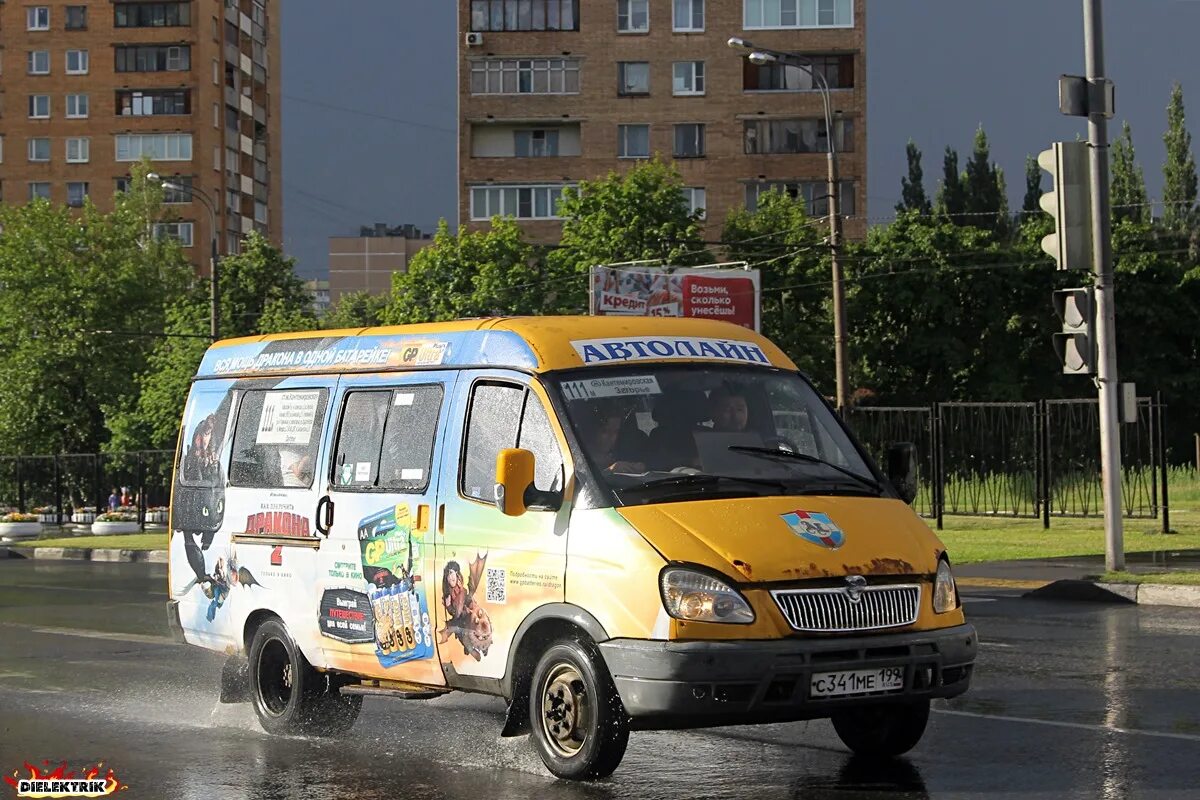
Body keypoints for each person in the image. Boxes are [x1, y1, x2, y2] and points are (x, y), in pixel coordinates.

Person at [586, 406, 645, 474]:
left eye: (615, 432)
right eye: (605, 431)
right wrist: (611, 470)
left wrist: (635, 467)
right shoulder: (580, 457)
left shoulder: (619, 453)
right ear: (593, 431)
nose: (610, 436)